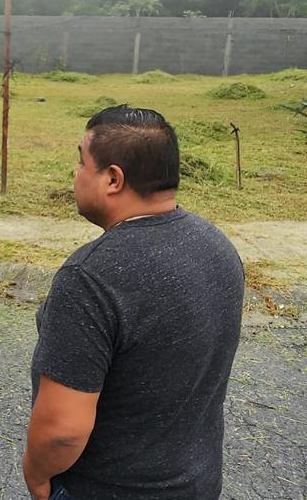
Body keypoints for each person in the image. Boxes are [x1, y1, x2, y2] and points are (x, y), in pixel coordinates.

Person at [22, 106, 244, 500]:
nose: (74, 172)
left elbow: (62, 432)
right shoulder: (217, 246)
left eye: (80, 160)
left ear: (112, 178)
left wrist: (36, 475)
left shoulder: (90, 278)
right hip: (197, 485)